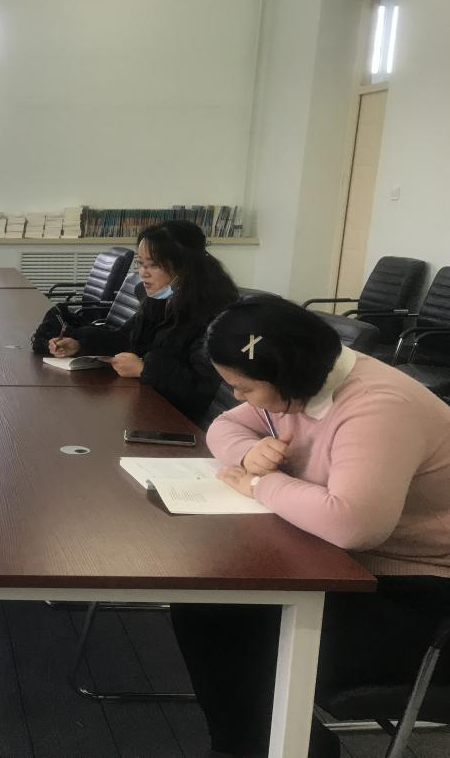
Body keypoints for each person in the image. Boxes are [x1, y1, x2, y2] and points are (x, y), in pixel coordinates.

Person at [172, 296, 450, 757]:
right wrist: (248, 452)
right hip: (355, 565)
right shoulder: (303, 381)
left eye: (243, 388)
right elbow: (223, 427)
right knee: (209, 606)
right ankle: (271, 744)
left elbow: (353, 524)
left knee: (236, 620)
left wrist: (260, 483)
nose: (236, 396)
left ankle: (282, 746)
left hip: (426, 593)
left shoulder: (379, 407)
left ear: (286, 378)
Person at [47, 220, 240, 424]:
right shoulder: (160, 298)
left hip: (178, 421)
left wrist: (144, 369)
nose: (143, 273)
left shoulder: (213, 314)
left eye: (154, 265)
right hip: (146, 404)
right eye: (141, 263)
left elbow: (199, 390)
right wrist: (80, 343)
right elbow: (125, 338)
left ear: (185, 267)